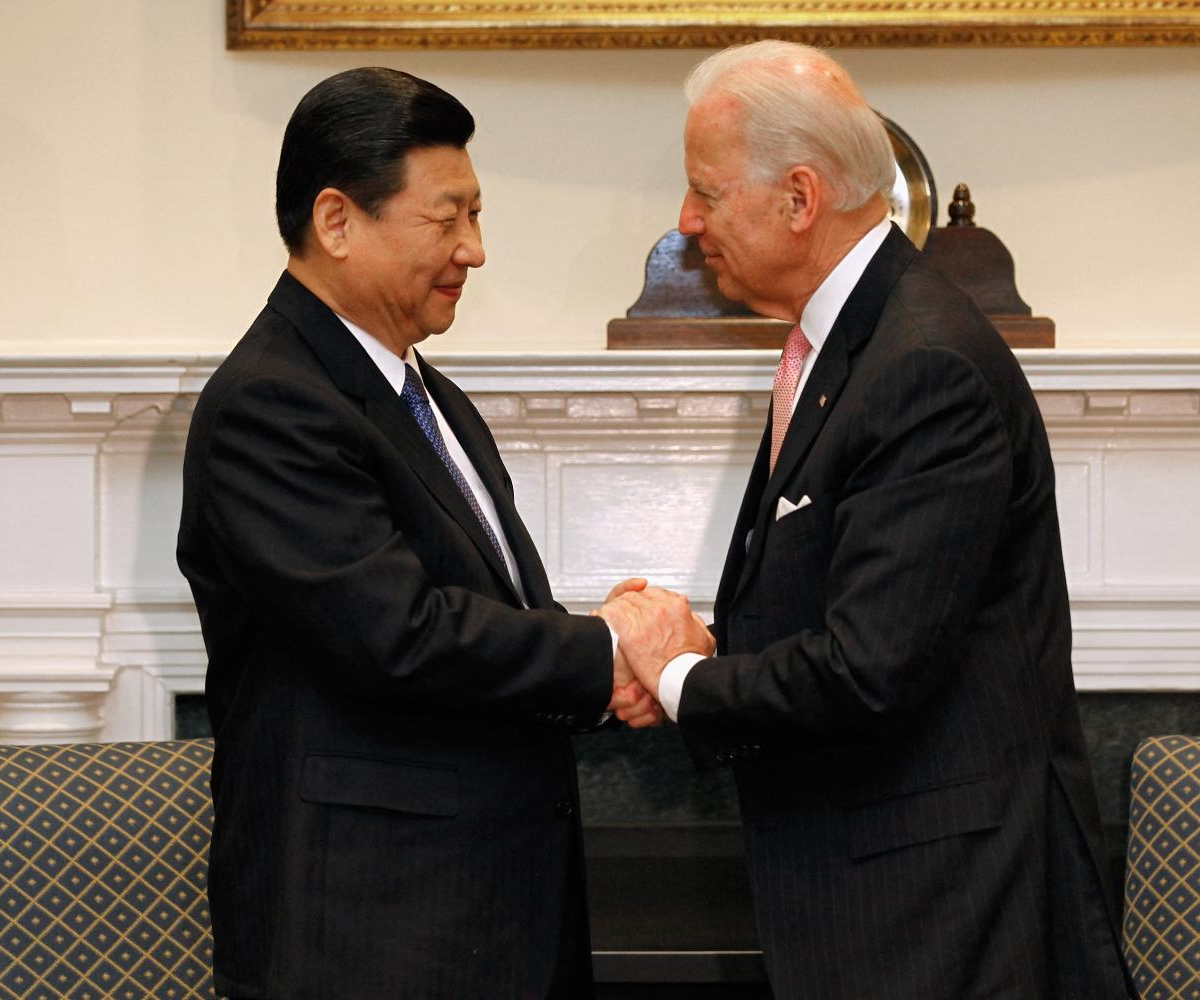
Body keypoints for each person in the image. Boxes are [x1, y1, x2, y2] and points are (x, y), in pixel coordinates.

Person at [609, 41, 1136, 998]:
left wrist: (678, 674)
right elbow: (854, 606)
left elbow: (870, 668)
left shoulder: (922, 365)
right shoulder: (855, 341)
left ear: (799, 199)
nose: (687, 223)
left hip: (942, 913)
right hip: (885, 897)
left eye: (707, 193)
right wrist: (710, 647)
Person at [176, 67, 707, 999]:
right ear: (337, 221)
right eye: (447, 218)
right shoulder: (271, 404)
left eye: (477, 215)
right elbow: (399, 635)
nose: (476, 249)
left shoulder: (429, 397)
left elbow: (483, 614)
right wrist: (611, 647)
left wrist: (602, 650)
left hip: (482, 917)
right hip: (368, 933)